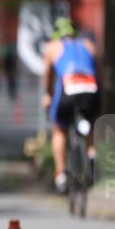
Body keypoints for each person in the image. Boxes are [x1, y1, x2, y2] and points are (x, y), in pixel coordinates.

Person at [43, 17, 99, 194]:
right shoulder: (89, 45)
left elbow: (48, 77)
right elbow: (98, 71)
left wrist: (48, 95)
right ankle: (92, 154)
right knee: (90, 122)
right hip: (91, 90)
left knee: (60, 129)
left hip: (68, 92)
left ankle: (61, 175)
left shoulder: (52, 47)